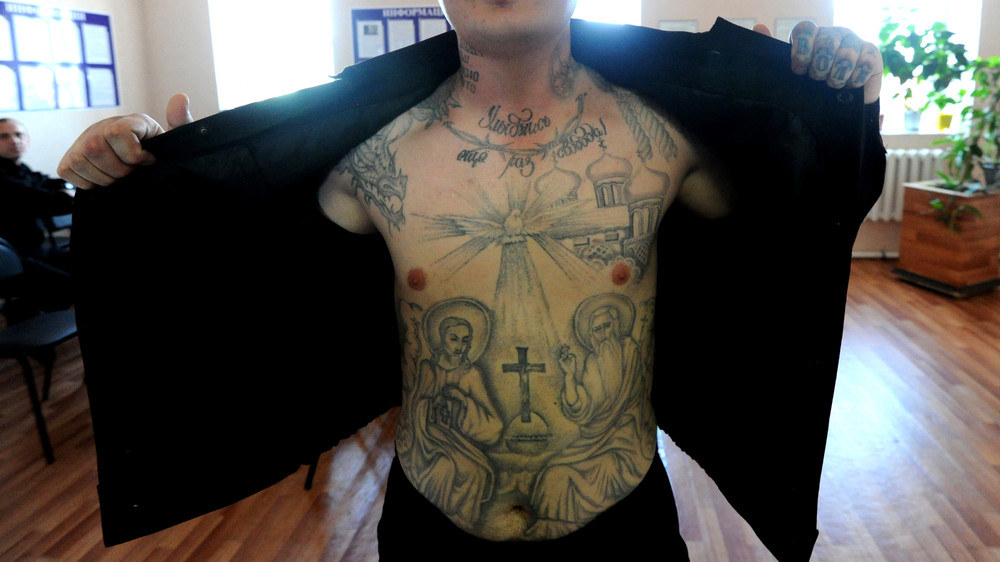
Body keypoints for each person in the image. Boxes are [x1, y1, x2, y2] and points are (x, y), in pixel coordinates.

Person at [57, 2, 884, 559]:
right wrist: (141, 168)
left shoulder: (662, 141)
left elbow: (799, 216)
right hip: (434, 530)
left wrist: (838, 102)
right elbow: (228, 265)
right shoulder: (376, 159)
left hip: (620, 526)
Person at [0, 118, 74, 315]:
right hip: (13, 263)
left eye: (18, 134)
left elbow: (46, 182)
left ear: (27, 139)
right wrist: (67, 194)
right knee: (70, 286)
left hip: (36, 252)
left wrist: (67, 186)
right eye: (4, 136)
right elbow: (43, 201)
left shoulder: (19, 168)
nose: (14, 140)